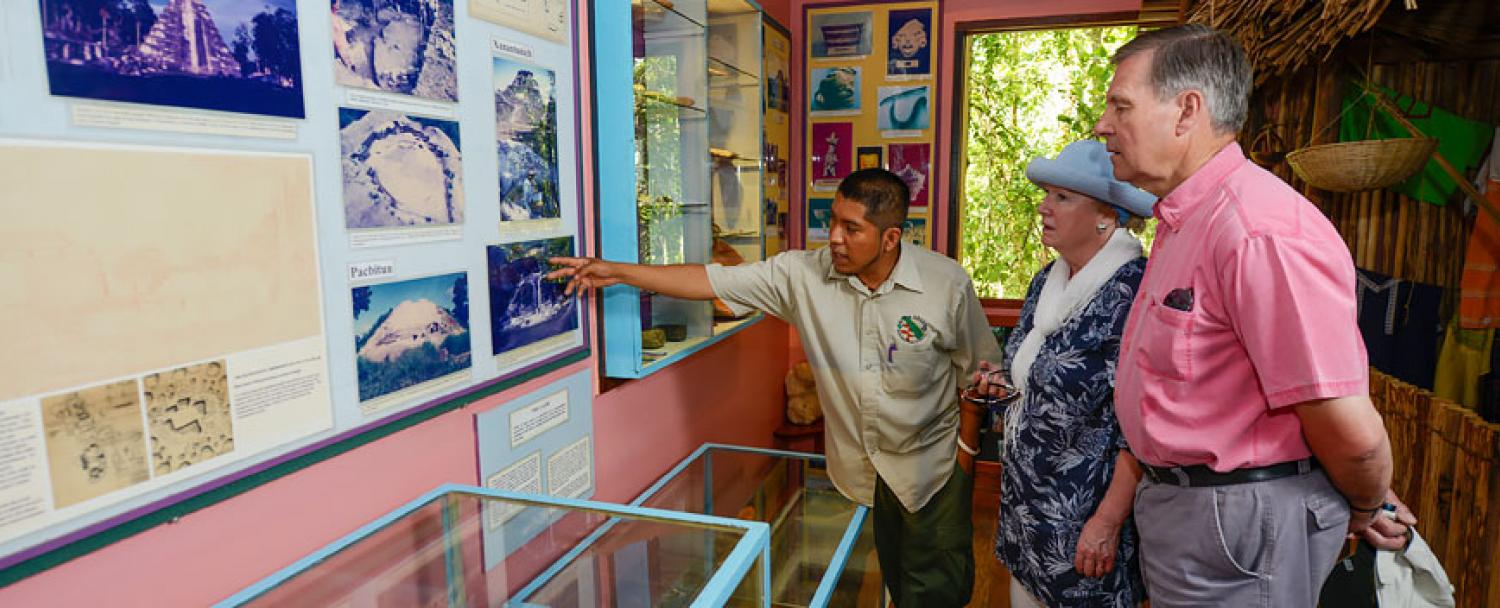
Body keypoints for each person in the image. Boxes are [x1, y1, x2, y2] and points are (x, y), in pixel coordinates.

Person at [548, 169, 1001, 607]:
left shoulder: (947, 285)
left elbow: (981, 375)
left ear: (890, 238)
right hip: (854, 476)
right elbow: (710, 280)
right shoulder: (801, 274)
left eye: (851, 228)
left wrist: (964, 457)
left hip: (931, 472)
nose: (834, 238)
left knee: (934, 593)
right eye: (833, 221)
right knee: (863, 578)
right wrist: (620, 272)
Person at [1091, 24, 1417, 607]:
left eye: (1120, 105)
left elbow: (1347, 427)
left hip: (1237, 524)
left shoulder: (1256, 231)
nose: (1103, 124)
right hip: (1194, 516)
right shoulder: (1185, 221)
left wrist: (1365, 505)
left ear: (1186, 110)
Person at [972, 139, 1155, 607]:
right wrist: (1001, 382)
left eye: (1062, 197)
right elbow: (1035, 377)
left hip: (1084, 526)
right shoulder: (1046, 282)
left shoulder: (1134, 292)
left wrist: (1107, 522)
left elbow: (1139, 427)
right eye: (1047, 194)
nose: (1043, 207)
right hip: (1027, 514)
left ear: (1106, 216)